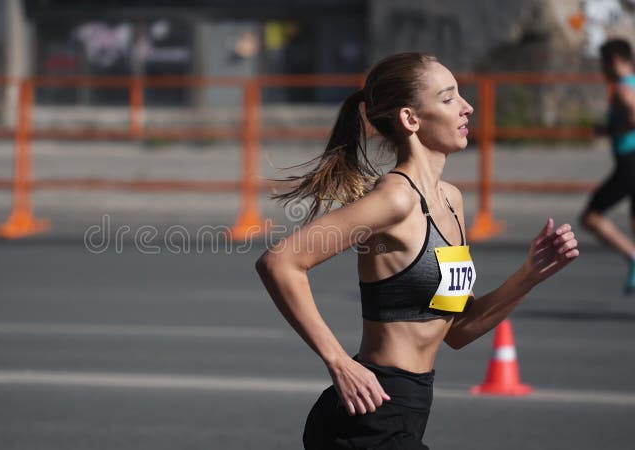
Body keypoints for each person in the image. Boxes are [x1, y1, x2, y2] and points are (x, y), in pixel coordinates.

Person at [255, 52, 579, 449]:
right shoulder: (395, 200)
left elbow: (458, 331)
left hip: (407, 408)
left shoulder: (451, 201)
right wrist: (339, 362)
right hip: (371, 414)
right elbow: (281, 261)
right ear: (410, 119)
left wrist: (530, 274)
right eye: (448, 99)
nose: (467, 107)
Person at [580, 38, 635, 293]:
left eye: (602, 63)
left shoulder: (623, 89)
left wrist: (609, 128)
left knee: (591, 217)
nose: (601, 70)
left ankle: (633, 257)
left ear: (613, 61)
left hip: (629, 163)